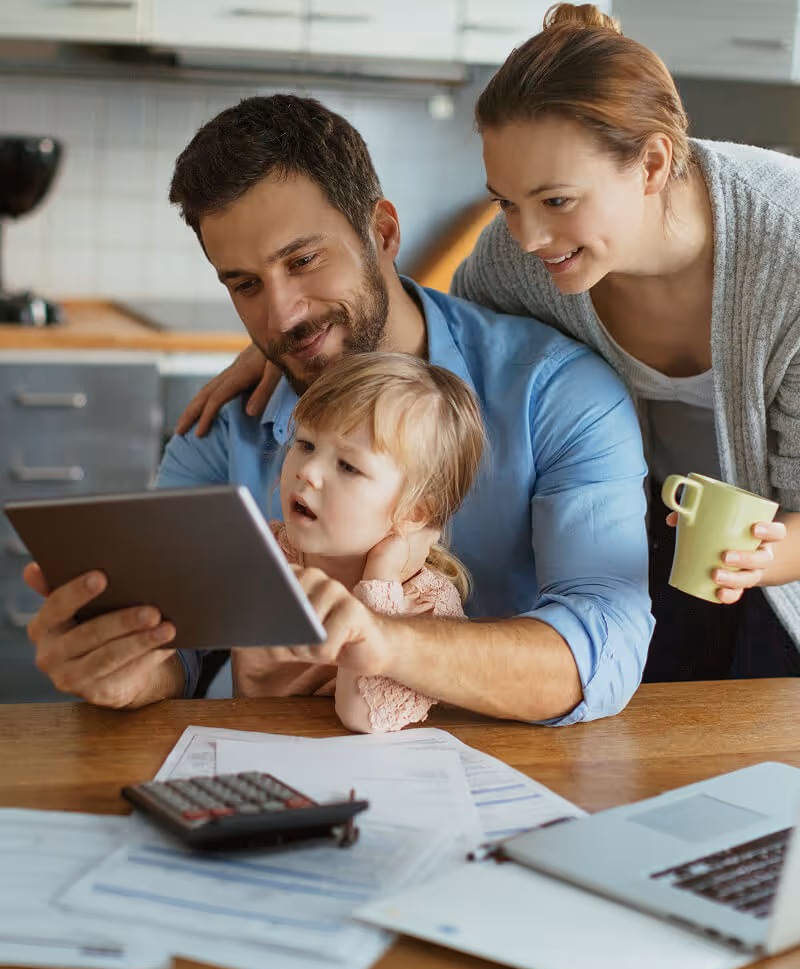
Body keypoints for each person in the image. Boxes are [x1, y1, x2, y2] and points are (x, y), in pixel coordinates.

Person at [185, 6, 800, 683]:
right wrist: (294, 340)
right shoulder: (521, 260)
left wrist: (765, 555)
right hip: (663, 530)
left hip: (770, 546)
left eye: (556, 201)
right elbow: (449, 345)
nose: (529, 235)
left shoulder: (787, 257)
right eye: (506, 202)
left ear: (651, 163)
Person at [23, 93, 653, 724]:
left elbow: (605, 647)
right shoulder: (222, 427)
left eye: (303, 261)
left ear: (381, 232)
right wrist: (125, 668)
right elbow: (178, 646)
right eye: (244, 284)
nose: (281, 316)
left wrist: (384, 643)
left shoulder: (558, 393)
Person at [263, 351, 481, 733]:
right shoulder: (269, 552)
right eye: (306, 444)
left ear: (415, 512)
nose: (308, 471)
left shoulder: (426, 605)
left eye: (348, 466)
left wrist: (379, 580)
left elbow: (360, 715)